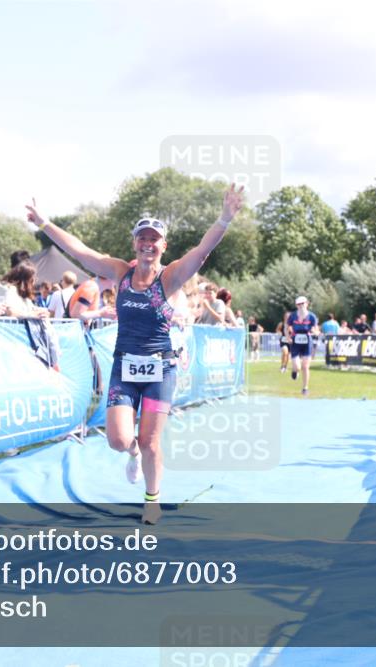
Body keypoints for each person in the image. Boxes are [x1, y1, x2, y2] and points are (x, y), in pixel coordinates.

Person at [25, 184, 245, 524]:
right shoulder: (119, 272)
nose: (147, 244)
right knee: (119, 440)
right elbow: (80, 251)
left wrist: (224, 219)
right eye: (142, 238)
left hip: (160, 370)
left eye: (154, 239)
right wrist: (44, 223)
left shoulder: (170, 277)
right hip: (124, 369)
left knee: (151, 442)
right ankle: (131, 453)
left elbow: (201, 252)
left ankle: (152, 499)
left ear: (163, 246)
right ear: (134, 244)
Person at [287, 296, 319, 395]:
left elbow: (315, 328)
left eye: (303, 303)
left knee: (305, 366)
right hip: (296, 341)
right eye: (299, 304)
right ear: (296, 305)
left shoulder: (312, 316)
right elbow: (287, 326)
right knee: (298, 366)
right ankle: (294, 370)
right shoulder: (292, 316)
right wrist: (288, 336)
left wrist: (315, 332)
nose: (301, 306)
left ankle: (305, 388)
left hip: (307, 341)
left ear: (307, 304)